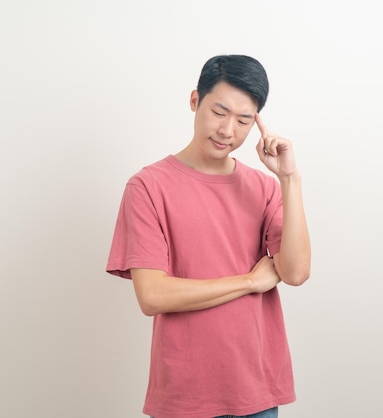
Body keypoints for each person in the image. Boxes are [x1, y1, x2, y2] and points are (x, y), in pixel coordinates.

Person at [106, 54, 311, 418]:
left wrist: (289, 179)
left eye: (244, 120)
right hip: (185, 397)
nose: (228, 130)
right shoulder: (148, 187)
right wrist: (250, 281)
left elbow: (294, 272)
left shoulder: (264, 188)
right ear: (194, 101)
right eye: (219, 112)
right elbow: (153, 295)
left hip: (258, 392)